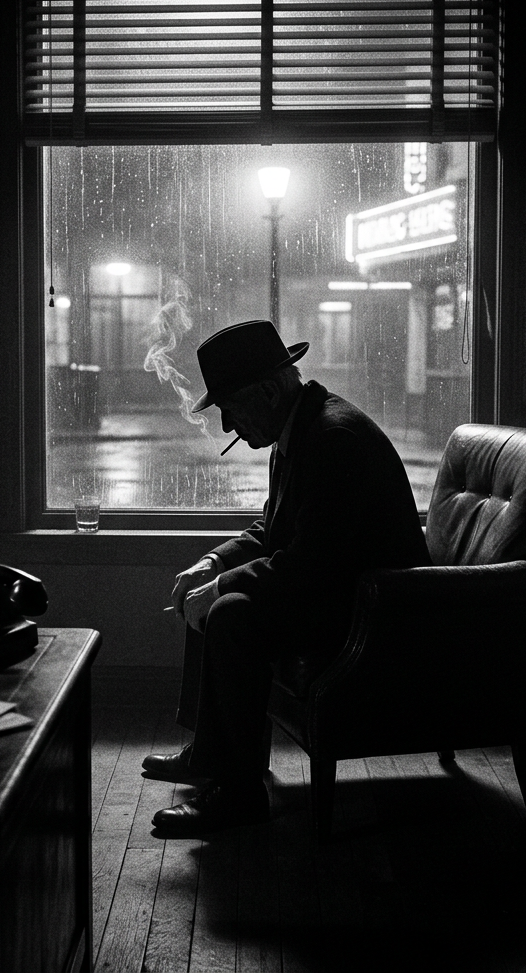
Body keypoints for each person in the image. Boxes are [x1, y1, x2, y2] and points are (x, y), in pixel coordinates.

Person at [144, 319, 430, 835]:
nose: (228, 426)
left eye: (230, 408)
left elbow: (314, 562)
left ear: (271, 390)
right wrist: (213, 564)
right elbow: (276, 530)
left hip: (379, 615)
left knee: (228, 608)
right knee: (207, 590)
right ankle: (210, 753)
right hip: (340, 592)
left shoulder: (333, 439)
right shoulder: (299, 429)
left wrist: (226, 586)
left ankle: (239, 795)